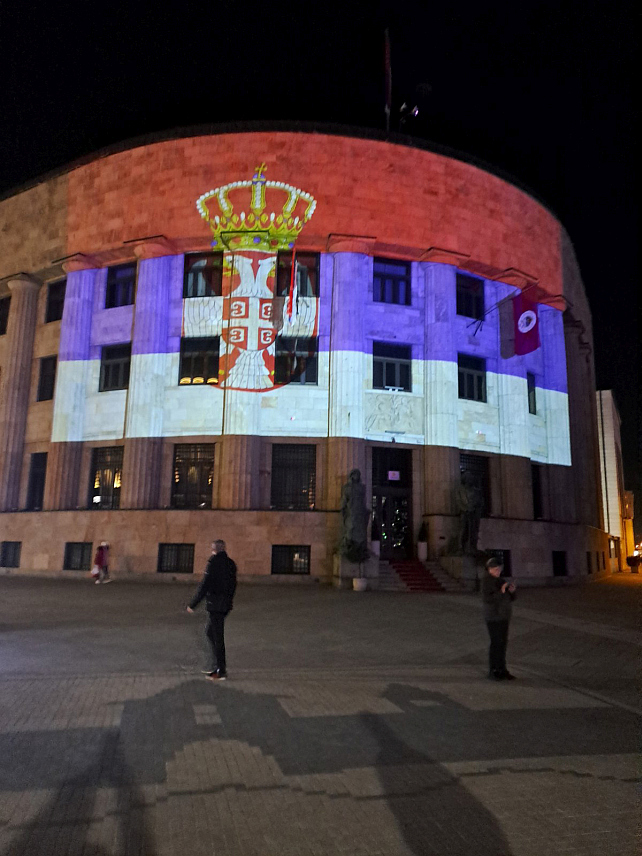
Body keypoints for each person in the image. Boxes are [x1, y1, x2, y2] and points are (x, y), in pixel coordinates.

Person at [187, 540, 237, 681]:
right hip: (225, 605)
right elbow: (233, 585)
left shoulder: (213, 563)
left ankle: (220, 670)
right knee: (210, 632)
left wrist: (193, 604)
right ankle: (216, 664)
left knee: (217, 636)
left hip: (215, 605)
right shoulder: (231, 563)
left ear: (214, 549)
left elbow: (205, 585)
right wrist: (228, 599)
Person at [481, 557, 516, 680]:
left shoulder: (500, 580)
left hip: (503, 616)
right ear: (489, 569)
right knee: (496, 643)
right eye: (495, 569)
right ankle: (493, 670)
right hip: (493, 616)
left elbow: (510, 598)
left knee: (503, 643)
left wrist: (511, 591)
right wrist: (501, 592)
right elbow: (488, 599)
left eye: (499, 569)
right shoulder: (486, 581)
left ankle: (502, 669)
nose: (498, 571)